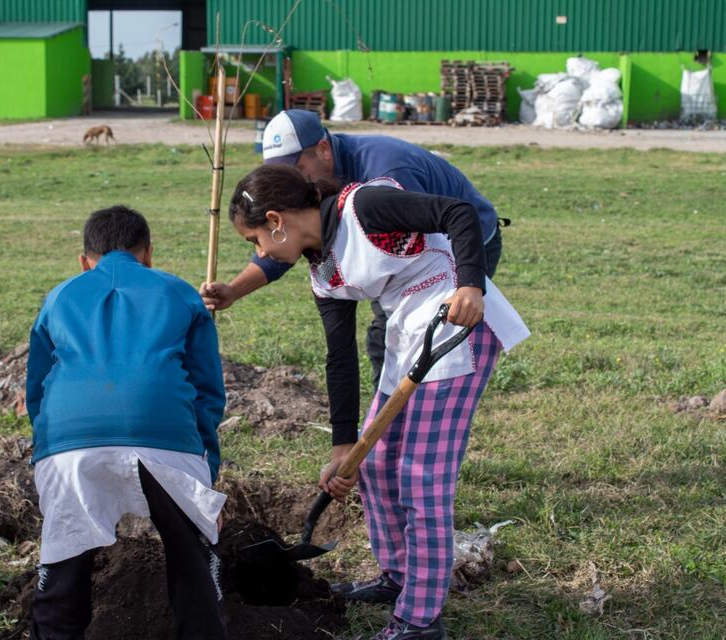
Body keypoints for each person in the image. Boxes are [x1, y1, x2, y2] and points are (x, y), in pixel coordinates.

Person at [226, 165, 529, 640]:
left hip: (457, 330)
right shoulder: (322, 269)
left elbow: (458, 212)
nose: (260, 252)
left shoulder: (363, 208)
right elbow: (340, 357)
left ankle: (419, 620)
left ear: (275, 219)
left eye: (255, 239)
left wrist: (471, 283)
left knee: (420, 478)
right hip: (410, 337)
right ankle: (399, 578)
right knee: (377, 463)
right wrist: (343, 447)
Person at [26, 206, 228, 640]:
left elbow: (37, 392)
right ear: (148, 255)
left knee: (63, 565)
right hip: (168, 440)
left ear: (84, 261)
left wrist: (45, 455)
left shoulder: (59, 297)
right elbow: (208, 394)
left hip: (69, 447)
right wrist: (205, 478)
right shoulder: (180, 294)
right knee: (195, 568)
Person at [202, 109, 506, 387]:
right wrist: (234, 289)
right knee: (389, 337)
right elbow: (290, 238)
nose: (291, 180)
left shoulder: (384, 171)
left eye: (297, 169)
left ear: (323, 149)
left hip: (464, 241)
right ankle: (387, 415)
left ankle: (425, 405)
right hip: (395, 250)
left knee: (415, 333)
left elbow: (427, 242)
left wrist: (468, 285)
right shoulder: (310, 190)